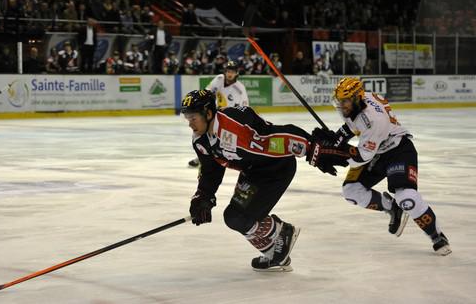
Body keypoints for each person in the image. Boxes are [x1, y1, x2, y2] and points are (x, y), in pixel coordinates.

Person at [307, 77, 451, 255]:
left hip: (397, 151)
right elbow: (352, 126)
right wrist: (335, 140)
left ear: (356, 97)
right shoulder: (358, 103)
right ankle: (392, 209)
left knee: (406, 197)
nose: (341, 105)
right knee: (351, 191)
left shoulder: (375, 119)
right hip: (376, 152)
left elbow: (361, 157)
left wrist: (333, 154)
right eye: (340, 101)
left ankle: (436, 235)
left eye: (344, 101)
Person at [181, 89, 314, 271]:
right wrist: (203, 198)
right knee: (234, 217)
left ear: (208, 113)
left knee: (241, 217)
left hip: (276, 168)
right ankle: (277, 255)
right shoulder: (200, 140)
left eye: (193, 118)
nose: (190, 124)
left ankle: (282, 233)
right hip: (253, 172)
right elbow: (211, 170)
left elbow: (271, 133)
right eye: (188, 119)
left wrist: (312, 145)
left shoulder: (233, 122)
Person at [188, 61, 249, 168]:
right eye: (228, 71)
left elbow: (245, 107)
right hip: (214, 112)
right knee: (201, 135)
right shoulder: (219, 79)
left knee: (220, 141)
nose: (230, 73)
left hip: (228, 117)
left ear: (236, 73)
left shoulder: (240, 89)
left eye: (232, 71)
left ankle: (224, 159)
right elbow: (208, 91)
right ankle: (200, 158)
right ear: (225, 72)